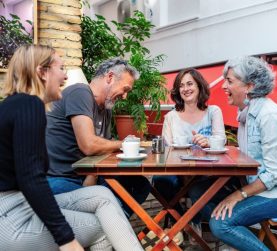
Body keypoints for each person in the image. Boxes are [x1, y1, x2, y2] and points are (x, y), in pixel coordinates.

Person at [0, 45, 143, 251]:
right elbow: (31, 179)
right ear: (42, 72)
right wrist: (65, 238)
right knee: (105, 228)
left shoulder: (17, 104)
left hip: (17, 206)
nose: (65, 77)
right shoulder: (29, 106)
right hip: (11, 218)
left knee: (103, 196)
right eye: (61, 68)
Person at [209, 56, 277, 251]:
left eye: (230, 81)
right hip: (266, 189)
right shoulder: (246, 114)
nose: (224, 86)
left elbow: (275, 174)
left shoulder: (269, 116)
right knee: (203, 193)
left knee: (221, 223)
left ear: (249, 86)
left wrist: (239, 195)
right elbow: (249, 157)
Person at [46, 58, 151, 218]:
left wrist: (93, 175)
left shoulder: (106, 108)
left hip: (83, 175)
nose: (124, 96)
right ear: (109, 77)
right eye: (125, 89)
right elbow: (89, 145)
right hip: (60, 178)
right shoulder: (80, 93)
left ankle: (109, 229)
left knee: (140, 184)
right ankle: (111, 230)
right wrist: (122, 144)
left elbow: (103, 149)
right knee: (107, 199)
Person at [153, 68, 237, 232]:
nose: (185, 89)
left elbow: (222, 140)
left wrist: (208, 142)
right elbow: (166, 149)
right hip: (178, 172)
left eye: (190, 84)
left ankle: (199, 224)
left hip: (207, 173)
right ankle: (183, 219)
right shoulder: (171, 117)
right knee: (160, 180)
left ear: (199, 86)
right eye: (181, 85)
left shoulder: (213, 112)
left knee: (198, 190)